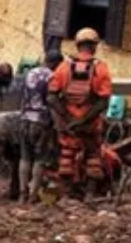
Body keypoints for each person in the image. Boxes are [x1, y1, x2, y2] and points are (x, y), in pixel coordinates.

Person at [48, 28, 113, 198]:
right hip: (90, 125)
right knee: (93, 158)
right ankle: (90, 195)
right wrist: (84, 119)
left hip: (68, 125)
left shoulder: (63, 67)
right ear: (94, 47)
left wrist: (69, 118)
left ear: (78, 45)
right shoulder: (101, 69)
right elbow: (103, 101)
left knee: (67, 157)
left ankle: (68, 196)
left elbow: (52, 97)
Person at [18, 50, 64, 203]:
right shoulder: (52, 77)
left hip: (24, 119)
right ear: (56, 63)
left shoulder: (29, 73)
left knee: (25, 158)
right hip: (41, 121)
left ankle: (22, 193)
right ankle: (33, 195)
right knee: (40, 159)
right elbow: (51, 100)